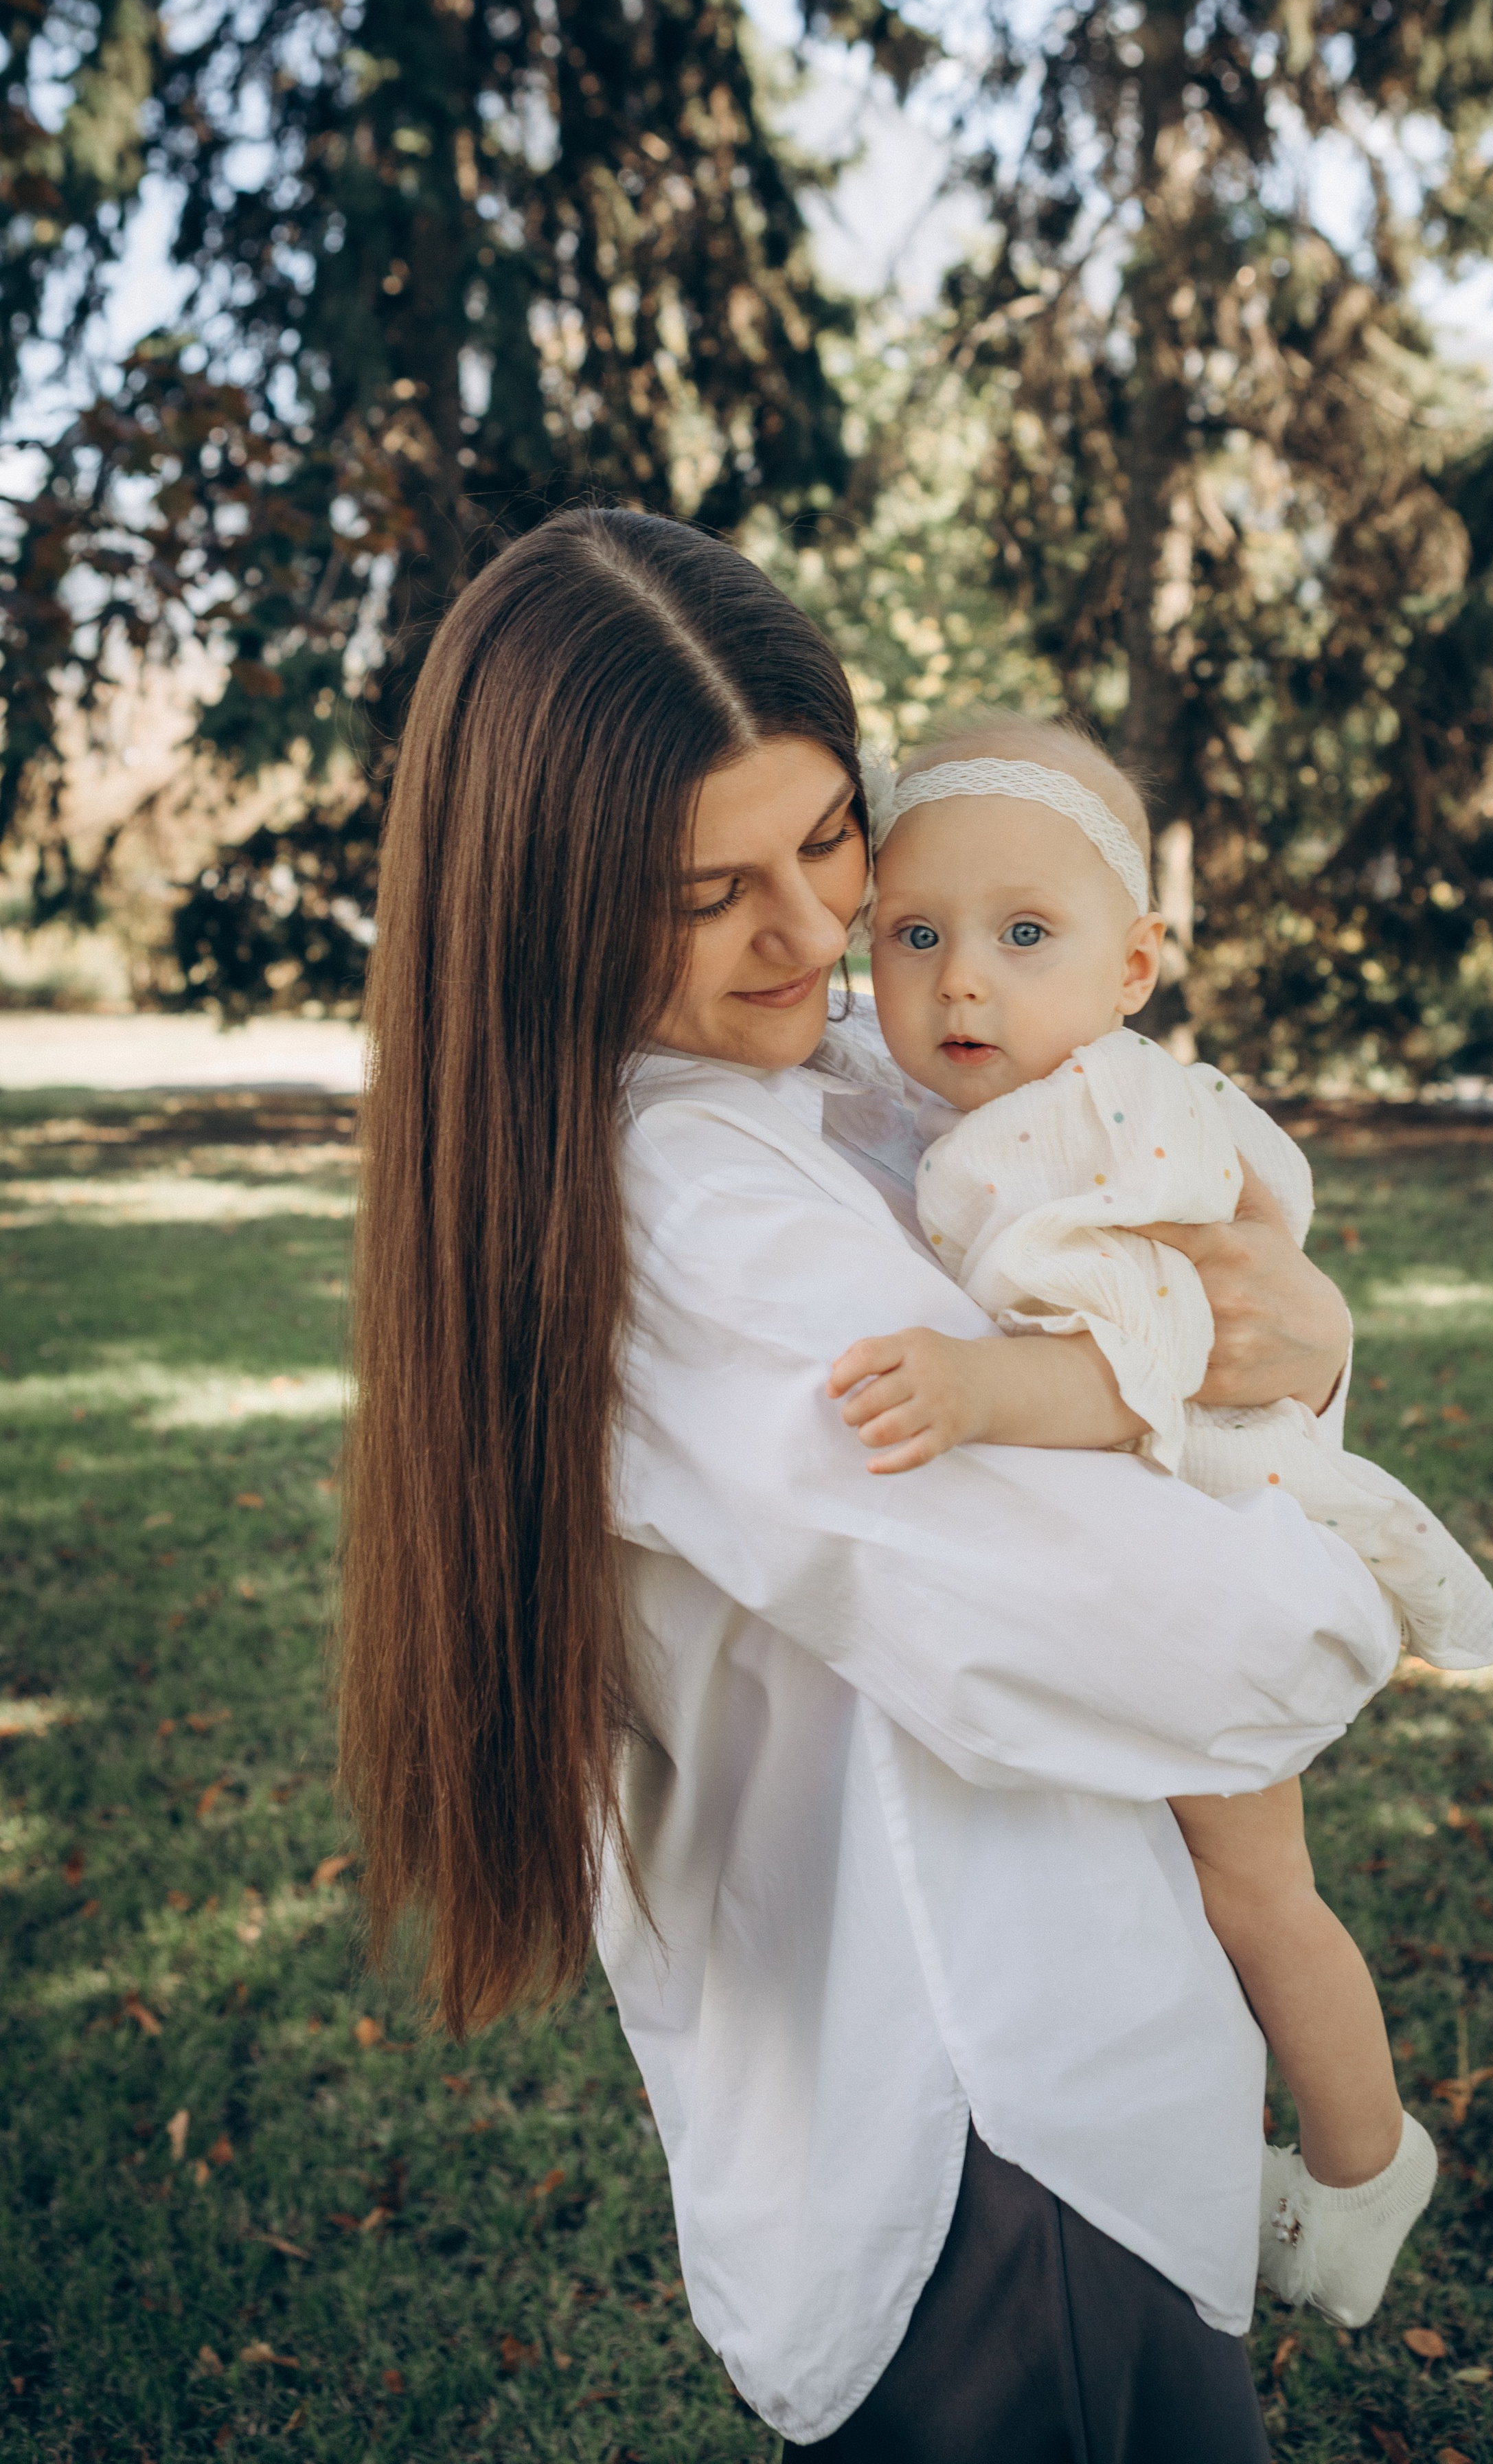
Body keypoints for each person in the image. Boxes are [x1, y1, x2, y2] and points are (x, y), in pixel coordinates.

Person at [337, 506, 1402, 2459]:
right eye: (705, 888)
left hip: (1010, 2086)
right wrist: (1328, 1535)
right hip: (993, 2124)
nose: (818, 935)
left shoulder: (820, 1078)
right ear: (547, 902)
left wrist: (1300, 1346)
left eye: (829, 835)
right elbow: (1183, 1644)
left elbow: (1188, 1295)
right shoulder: (691, 1207)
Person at [829, 716, 1493, 2329]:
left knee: (1255, 1891)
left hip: (1210, 1533)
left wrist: (977, 1389)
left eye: (1020, 935)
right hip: (1153, 1544)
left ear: (1135, 963)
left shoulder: (1103, 1130)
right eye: (915, 937)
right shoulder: (1014, 1106)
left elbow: (1151, 1355)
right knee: (1192, 1897)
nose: (961, 984)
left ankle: (1361, 2168)